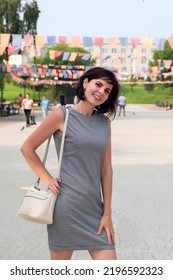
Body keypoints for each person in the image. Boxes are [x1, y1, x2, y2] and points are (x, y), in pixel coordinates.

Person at [21, 67, 120, 260]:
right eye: (98, 84)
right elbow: (27, 148)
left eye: (107, 90)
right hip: (65, 207)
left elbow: (106, 169)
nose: (101, 92)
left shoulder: (104, 123)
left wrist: (107, 213)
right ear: (85, 83)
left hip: (95, 211)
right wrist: (48, 179)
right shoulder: (61, 115)